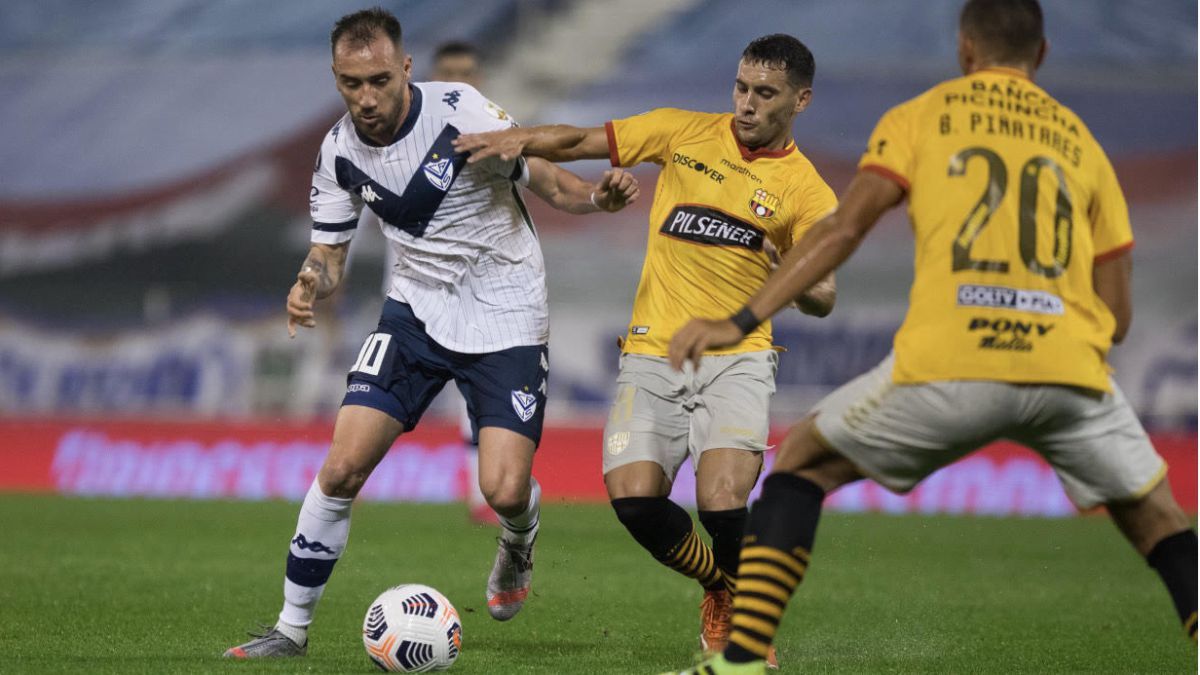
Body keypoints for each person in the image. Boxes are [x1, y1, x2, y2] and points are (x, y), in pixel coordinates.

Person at [664, 1, 1197, 672]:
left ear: (965, 48)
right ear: (1043, 53)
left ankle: (739, 661)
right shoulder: (1083, 145)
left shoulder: (925, 115)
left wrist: (739, 319)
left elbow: (843, 230)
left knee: (800, 465)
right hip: (1070, 372)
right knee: (1162, 524)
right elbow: (1116, 316)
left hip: (952, 362)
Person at [224, 8, 639, 659]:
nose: (365, 97)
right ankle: (291, 628)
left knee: (502, 488)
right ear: (336, 78)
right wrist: (309, 281)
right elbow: (329, 255)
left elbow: (543, 174)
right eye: (350, 82)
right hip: (415, 313)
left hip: (506, 311)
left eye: (378, 80)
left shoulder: (462, 110)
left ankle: (519, 537)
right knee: (341, 466)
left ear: (406, 69)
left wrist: (595, 200)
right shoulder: (338, 153)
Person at [455, 34, 838, 667]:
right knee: (634, 498)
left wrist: (789, 272)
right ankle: (722, 585)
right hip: (652, 351)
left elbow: (823, 294)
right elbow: (581, 141)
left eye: (764, 94)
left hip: (738, 355)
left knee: (722, 498)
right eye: (741, 87)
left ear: (800, 100)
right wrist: (519, 139)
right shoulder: (680, 132)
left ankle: (745, 624)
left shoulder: (808, 190)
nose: (745, 103)